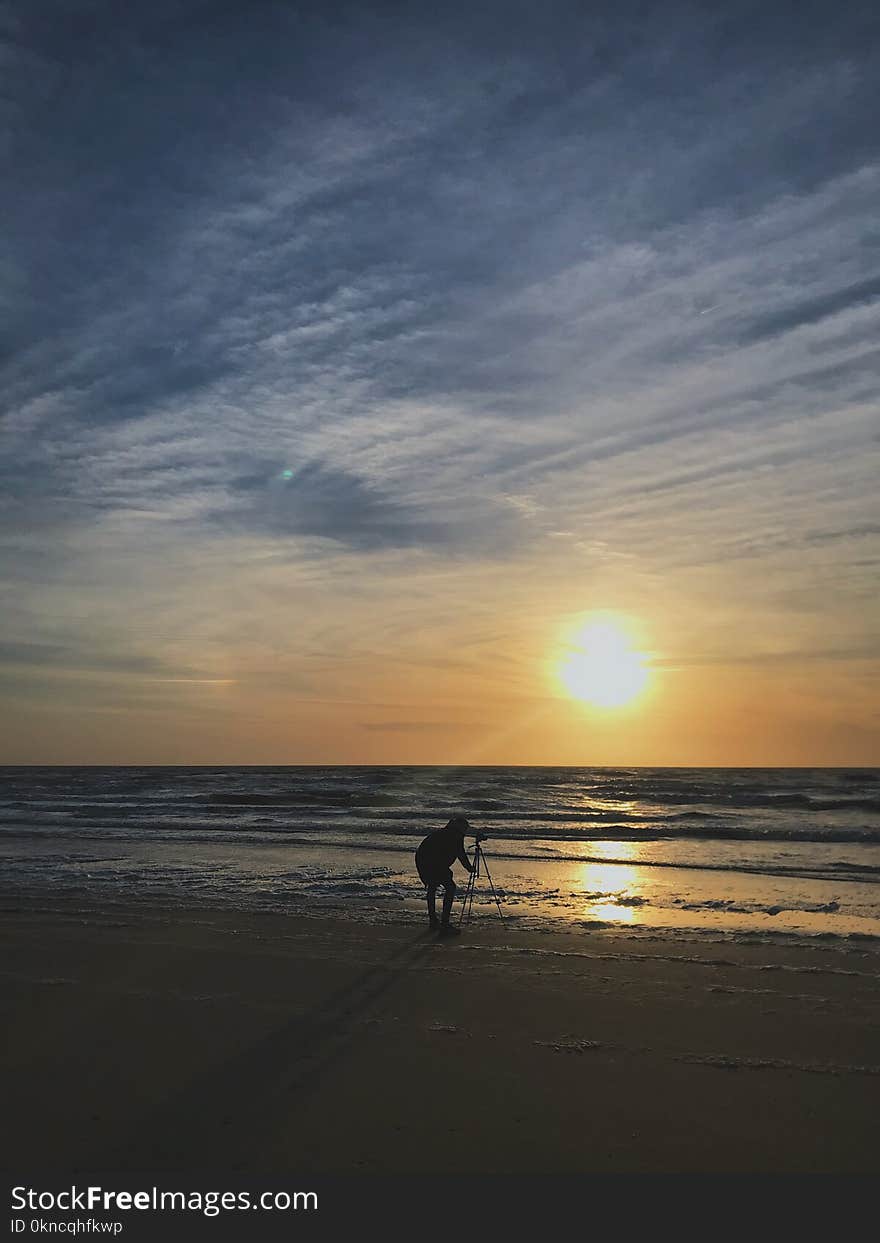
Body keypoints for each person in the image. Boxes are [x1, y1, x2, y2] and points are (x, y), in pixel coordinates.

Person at [415, 815, 475, 936]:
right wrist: (470, 868)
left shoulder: (443, 832)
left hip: (423, 860)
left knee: (432, 887)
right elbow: (461, 854)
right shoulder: (456, 835)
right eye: (465, 828)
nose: (465, 831)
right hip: (432, 862)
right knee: (450, 888)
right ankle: (445, 924)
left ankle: (433, 920)